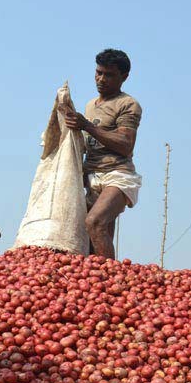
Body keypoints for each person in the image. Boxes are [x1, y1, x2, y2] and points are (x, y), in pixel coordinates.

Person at [64, 48, 143, 259]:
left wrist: (87, 126)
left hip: (118, 175)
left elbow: (126, 143)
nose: (101, 79)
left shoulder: (128, 104)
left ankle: (109, 279)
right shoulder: (91, 105)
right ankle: (98, 285)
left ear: (124, 77)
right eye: (98, 73)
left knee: (94, 222)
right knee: (91, 238)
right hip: (92, 177)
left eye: (109, 75)